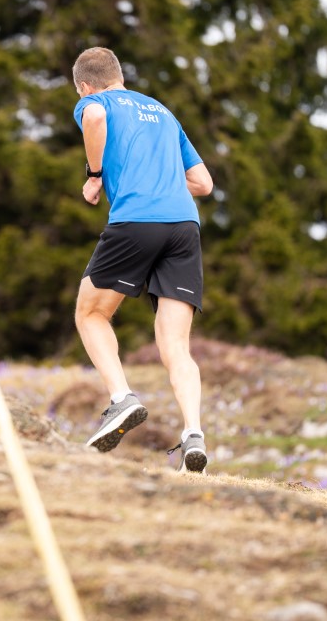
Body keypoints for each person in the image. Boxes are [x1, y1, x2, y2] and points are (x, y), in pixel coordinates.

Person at [71, 46, 214, 473]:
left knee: (90, 313)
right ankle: (193, 434)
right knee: (176, 344)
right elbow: (203, 183)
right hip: (184, 226)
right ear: (120, 76)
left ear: (85, 85)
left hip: (136, 218)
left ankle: (121, 399)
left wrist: (94, 176)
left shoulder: (95, 102)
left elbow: (95, 118)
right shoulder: (163, 112)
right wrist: (164, 182)